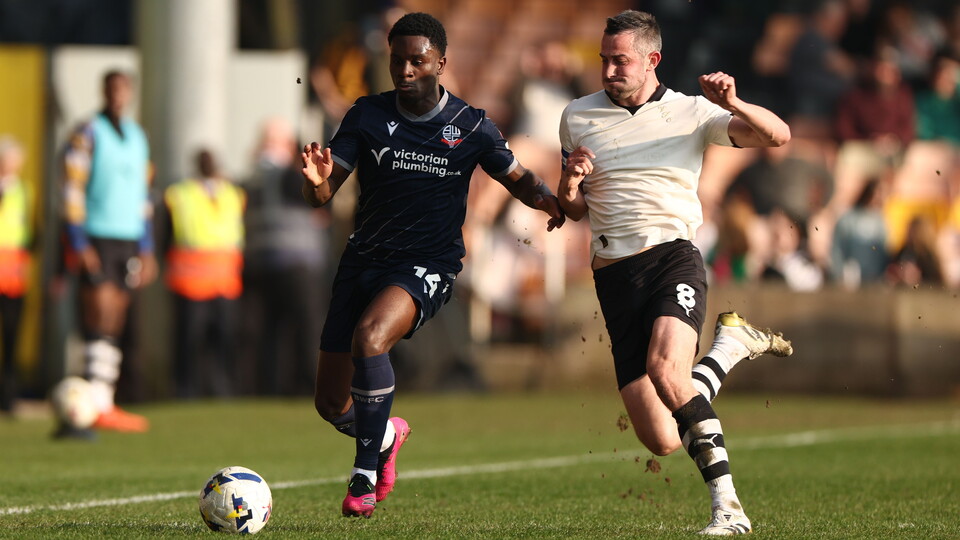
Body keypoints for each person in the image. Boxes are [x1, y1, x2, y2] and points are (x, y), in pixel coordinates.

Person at [300, 12, 565, 518]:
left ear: (440, 63)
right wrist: (316, 181)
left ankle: (363, 479)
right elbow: (323, 192)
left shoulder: (471, 126)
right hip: (363, 261)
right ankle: (385, 437)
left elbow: (518, 178)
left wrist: (548, 200)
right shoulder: (366, 116)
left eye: (416, 61)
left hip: (428, 264)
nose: (404, 70)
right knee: (331, 404)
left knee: (371, 338)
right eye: (396, 60)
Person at [557, 11, 794, 535]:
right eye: (604, 59)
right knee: (663, 437)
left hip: (672, 259)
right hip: (613, 280)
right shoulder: (576, 115)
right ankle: (729, 347)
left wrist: (731, 103)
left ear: (652, 61)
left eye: (621, 60)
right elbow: (571, 209)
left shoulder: (691, 111)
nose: (609, 69)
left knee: (668, 372)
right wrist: (570, 183)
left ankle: (728, 508)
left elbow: (778, 136)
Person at [62, 70, 157, 435]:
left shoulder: (137, 136)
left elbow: (144, 193)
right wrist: (78, 239)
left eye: (123, 89)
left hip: (128, 237)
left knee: (116, 315)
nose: (118, 95)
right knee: (97, 312)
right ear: (104, 91)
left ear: (130, 92)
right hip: (97, 233)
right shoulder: (87, 131)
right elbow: (72, 186)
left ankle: (104, 401)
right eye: (112, 89)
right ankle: (89, 404)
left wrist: (147, 246)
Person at [160, 149, 245, 398]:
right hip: (190, 282)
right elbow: (166, 237)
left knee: (225, 341)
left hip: (225, 281)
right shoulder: (179, 194)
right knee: (188, 341)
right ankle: (185, 391)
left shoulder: (233, 194)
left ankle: (223, 390)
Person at [0, 135, 33, 415]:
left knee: (11, 341)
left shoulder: (24, 191)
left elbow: (32, 234)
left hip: (13, 281)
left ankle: (8, 399)